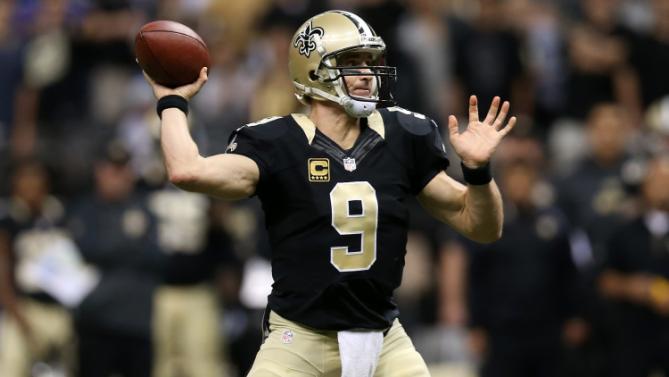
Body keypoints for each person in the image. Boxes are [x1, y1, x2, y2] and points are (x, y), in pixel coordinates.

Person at [142, 10, 515, 377]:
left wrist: (478, 172)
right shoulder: (278, 142)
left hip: (384, 338)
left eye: (370, 62)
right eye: (352, 62)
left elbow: (482, 227)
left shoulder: (401, 135)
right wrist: (172, 101)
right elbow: (186, 170)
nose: (367, 74)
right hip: (300, 339)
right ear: (314, 70)